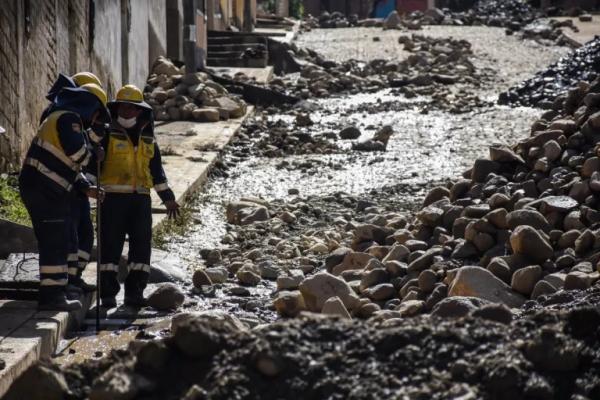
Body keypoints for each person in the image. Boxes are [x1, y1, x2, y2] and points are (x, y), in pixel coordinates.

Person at [19, 82, 109, 311]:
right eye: (97, 113)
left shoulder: (62, 118)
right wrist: (94, 154)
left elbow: (66, 165)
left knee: (58, 240)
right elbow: (77, 154)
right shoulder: (68, 119)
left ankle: (58, 291)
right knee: (54, 242)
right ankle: (52, 296)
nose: (96, 119)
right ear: (90, 105)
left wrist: (85, 186)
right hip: (44, 189)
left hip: (47, 188)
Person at [96, 84, 180, 308]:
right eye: (123, 106)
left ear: (140, 111)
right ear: (117, 108)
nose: (127, 111)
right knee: (110, 247)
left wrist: (168, 198)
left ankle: (135, 293)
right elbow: (91, 166)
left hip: (140, 201)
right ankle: (107, 294)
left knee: (141, 247)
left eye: (132, 107)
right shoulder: (104, 133)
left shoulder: (148, 138)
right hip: (111, 199)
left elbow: (156, 172)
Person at [42, 72, 106, 298]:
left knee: (84, 233)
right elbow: (74, 153)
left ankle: (75, 277)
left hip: (77, 182)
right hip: (62, 185)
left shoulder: (79, 119)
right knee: (68, 234)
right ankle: (67, 283)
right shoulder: (61, 116)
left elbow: (88, 145)